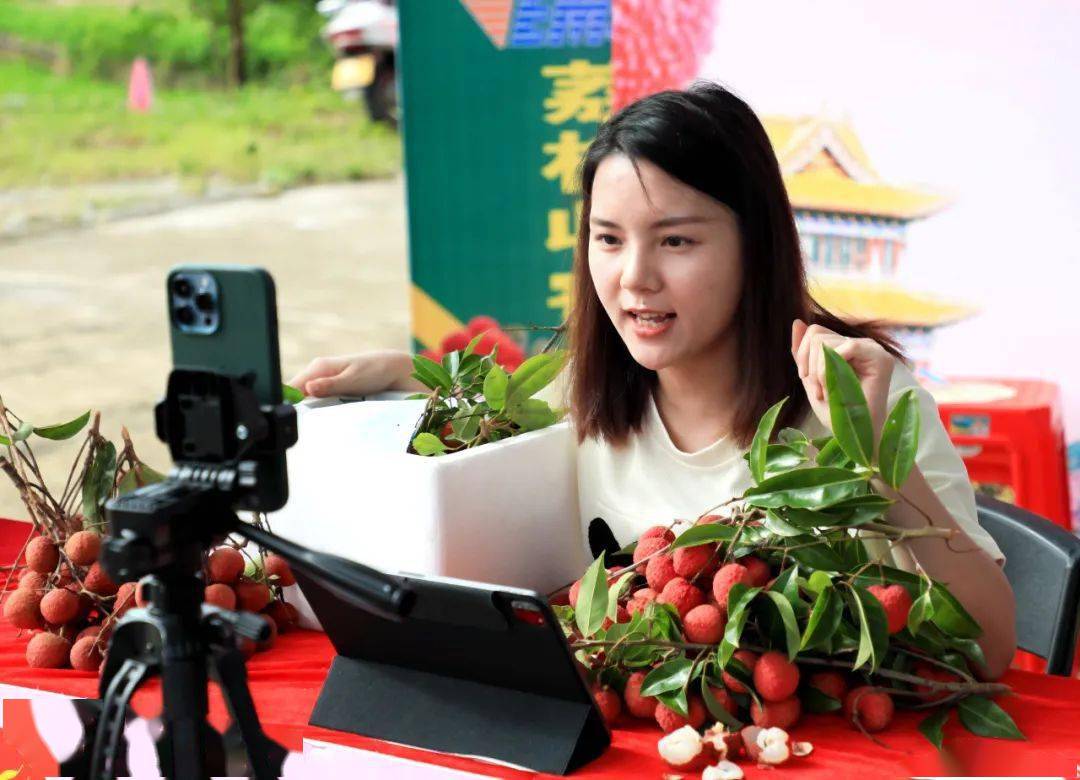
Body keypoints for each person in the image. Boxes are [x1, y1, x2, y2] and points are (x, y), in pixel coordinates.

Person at [288, 82, 1016, 679]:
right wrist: (411, 376)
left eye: (675, 240)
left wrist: (876, 456)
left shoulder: (862, 397)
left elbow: (988, 648)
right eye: (608, 239)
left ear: (755, 246)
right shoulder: (581, 396)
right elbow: (501, 411)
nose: (634, 278)